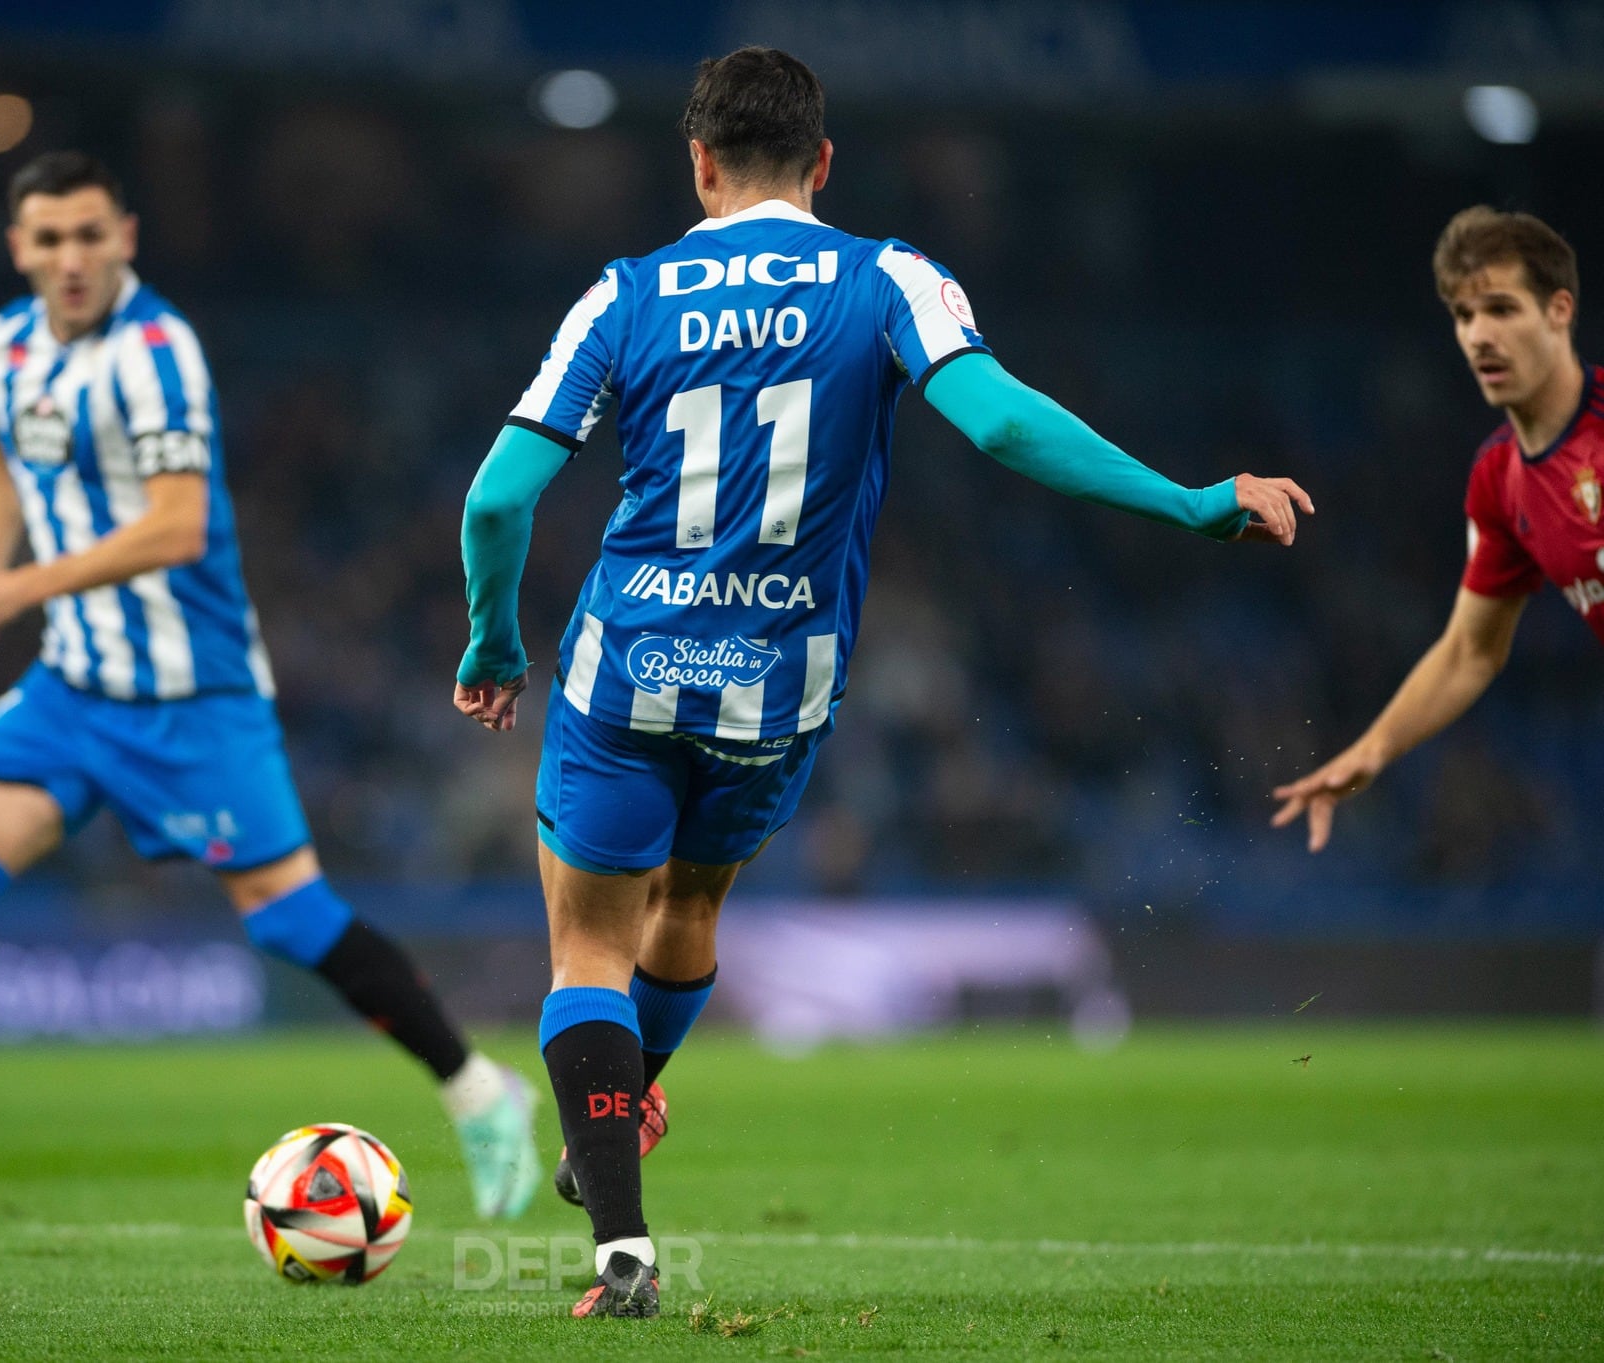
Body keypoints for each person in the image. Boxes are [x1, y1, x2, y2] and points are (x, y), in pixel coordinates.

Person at [454, 47, 1312, 1317]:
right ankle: (627, 1099)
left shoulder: (622, 297)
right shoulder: (886, 277)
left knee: (587, 942)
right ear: (822, 163)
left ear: (696, 166)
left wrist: (492, 644)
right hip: (775, 687)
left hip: (625, 668)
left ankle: (621, 1249)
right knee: (688, 907)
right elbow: (1005, 424)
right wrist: (1189, 504)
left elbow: (496, 498)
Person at [0, 151, 539, 1217]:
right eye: (48, 239)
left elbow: (177, 523)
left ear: (126, 239)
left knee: (291, 922)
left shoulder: (157, 353)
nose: (69, 259)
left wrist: (16, 586)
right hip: (72, 686)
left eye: (89, 237)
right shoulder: (0, 343)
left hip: (192, 695)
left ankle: (482, 1091)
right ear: (19, 248)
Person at [1272, 208, 1597, 850]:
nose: (1479, 336)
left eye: (1502, 310)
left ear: (1559, 311)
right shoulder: (1501, 477)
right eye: (1464, 315)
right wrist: (1369, 753)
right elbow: (1472, 652)